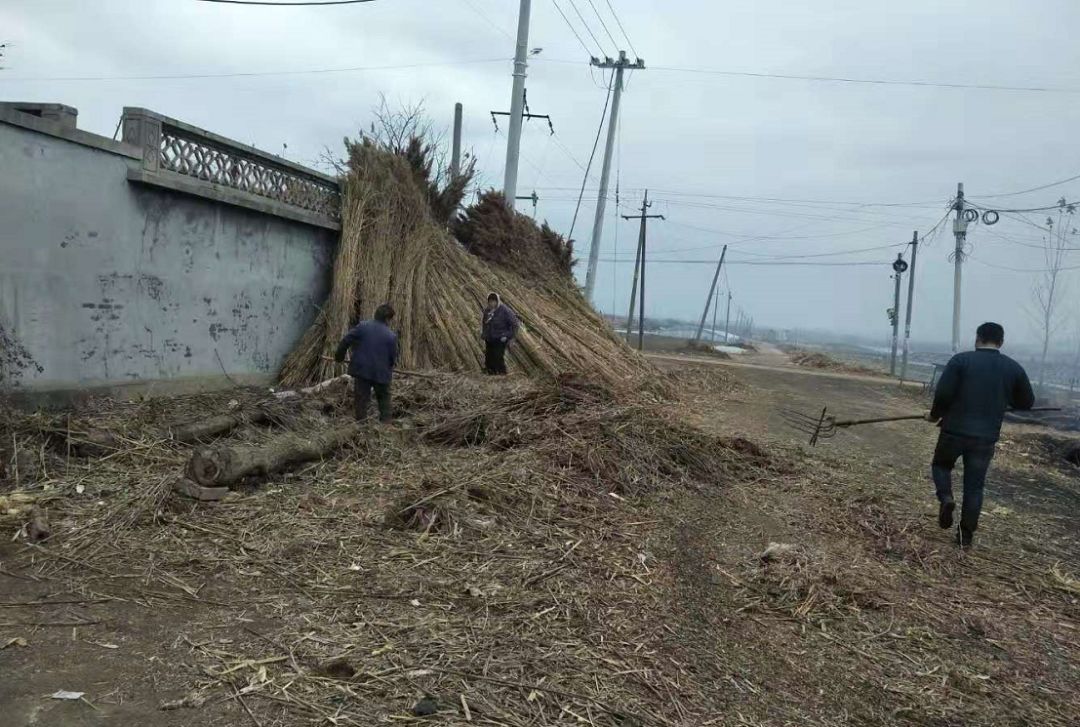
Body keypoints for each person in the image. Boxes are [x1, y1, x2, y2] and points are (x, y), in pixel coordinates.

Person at [927, 322, 1034, 548]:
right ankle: (965, 537)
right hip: (984, 438)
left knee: (941, 466)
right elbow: (1026, 402)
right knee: (974, 486)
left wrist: (935, 415)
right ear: (1001, 342)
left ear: (977, 338)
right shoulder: (1013, 368)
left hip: (954, 431)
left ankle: (946, 497)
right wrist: (1005, 400)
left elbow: (944, 393)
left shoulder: (960, 361)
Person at [334, 303, 398, 422]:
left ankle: (361, 424)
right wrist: (388, 367)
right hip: (381, 374)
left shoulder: (363, 326)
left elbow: (346, 340)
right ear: (387, 319)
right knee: (384, 400)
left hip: (362, 370)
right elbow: (392, 358)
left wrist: (339, 356)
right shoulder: (391, 336)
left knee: (361, 399)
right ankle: (385, 426)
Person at [481, 292, 520, 375]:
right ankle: (491, 375)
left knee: (498, 357)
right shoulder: (487, 311)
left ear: (497, 301)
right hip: (490, 338)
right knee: (489, 358)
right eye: (490, 301)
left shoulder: (505, 310)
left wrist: (509, 336)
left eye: (493, 301)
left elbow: (515, 324)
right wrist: (484, 334)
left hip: (500, 338)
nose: (491, 303)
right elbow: (484, 323)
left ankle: (502, 375)